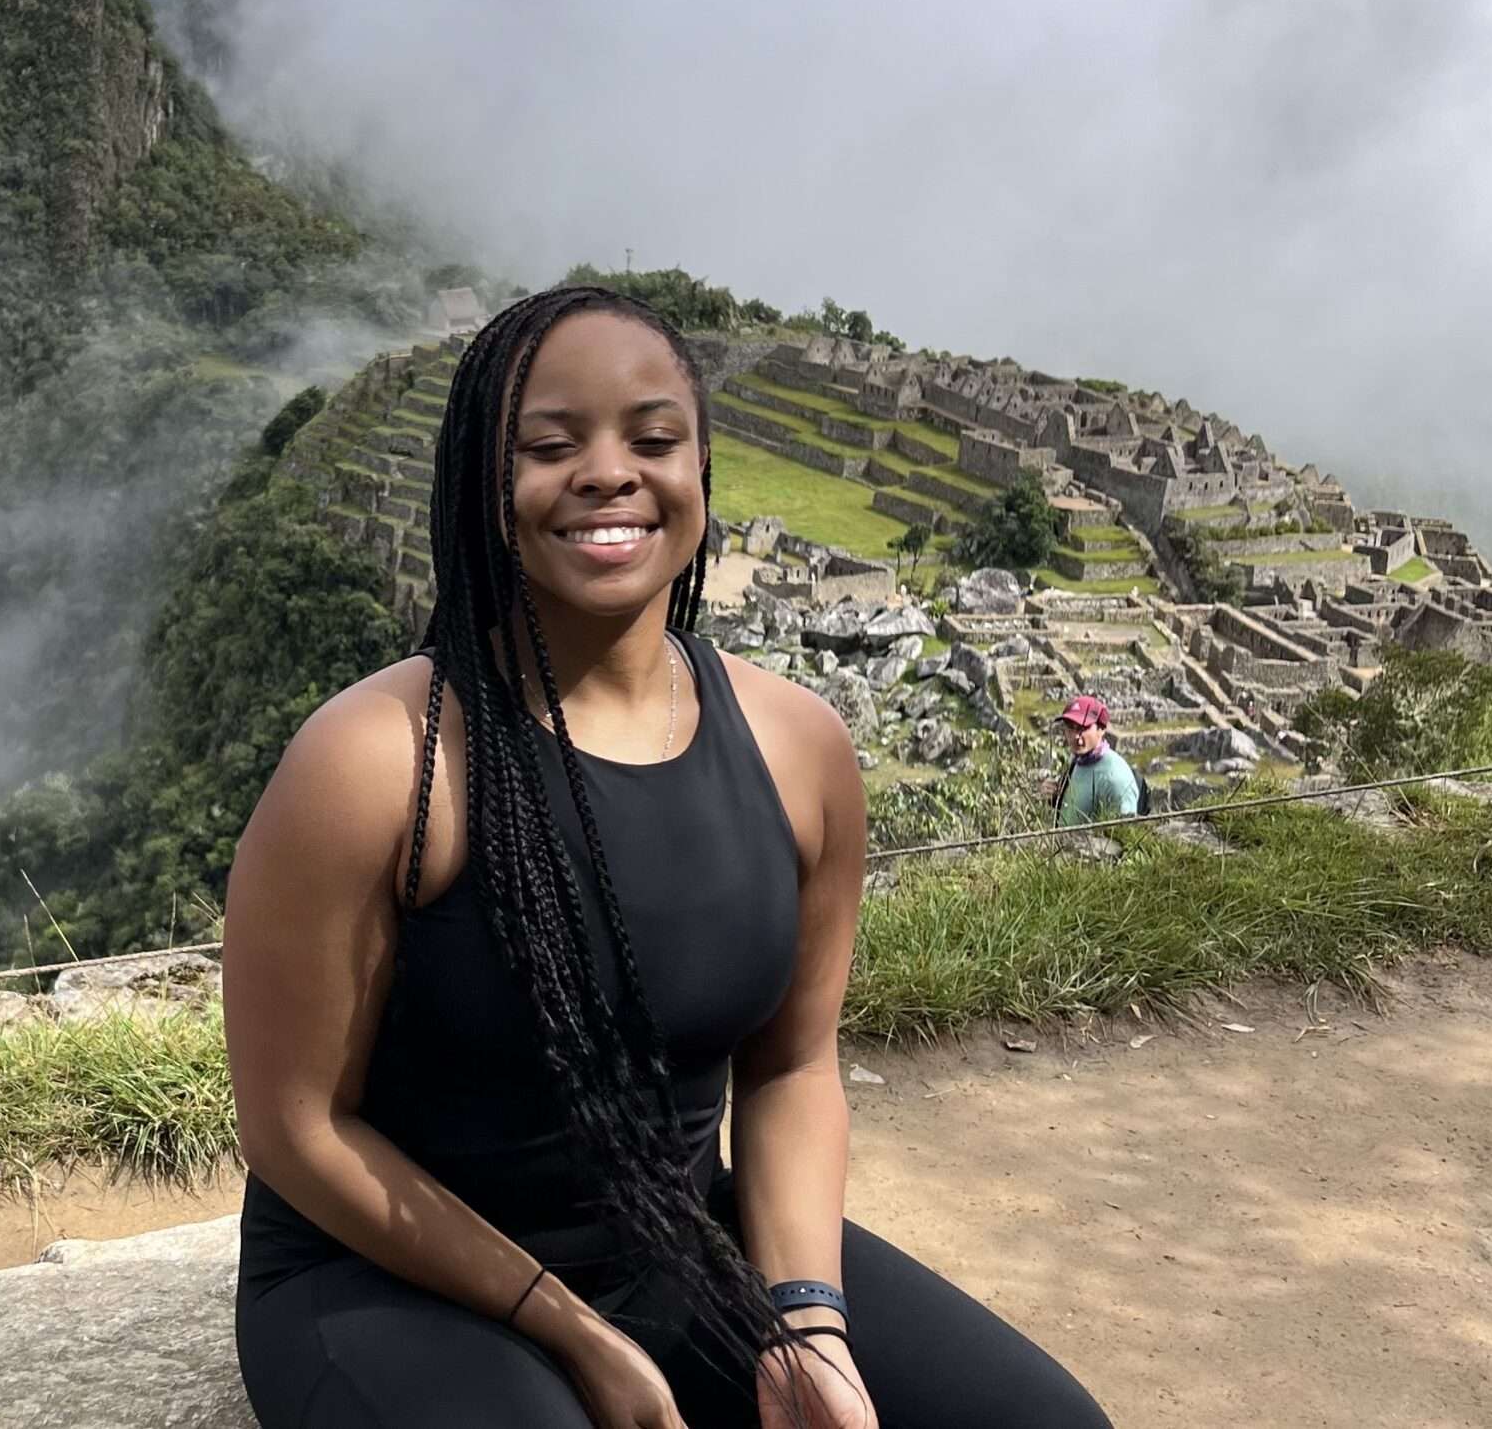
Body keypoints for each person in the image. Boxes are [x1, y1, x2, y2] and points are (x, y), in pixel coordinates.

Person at [221, 284, 1112, 1429]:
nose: (607, 473)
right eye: (549, 446)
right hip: (387, 1279)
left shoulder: (799, 749)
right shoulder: (378, 762)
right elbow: (296, 1130)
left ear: (700, 471)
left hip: (681, 1248)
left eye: (652, 439)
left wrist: (806, 1322)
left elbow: (791, 1071)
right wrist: (566, 1327)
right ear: (483, 489)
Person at [1049, 695, 1139, 828]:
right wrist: (1057, 798)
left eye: (1082, 728)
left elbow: (1123, 834)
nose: (1075, 737)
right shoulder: (1078, 759)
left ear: (1101, 729)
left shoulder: (1115, 779)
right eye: (1070, 728)